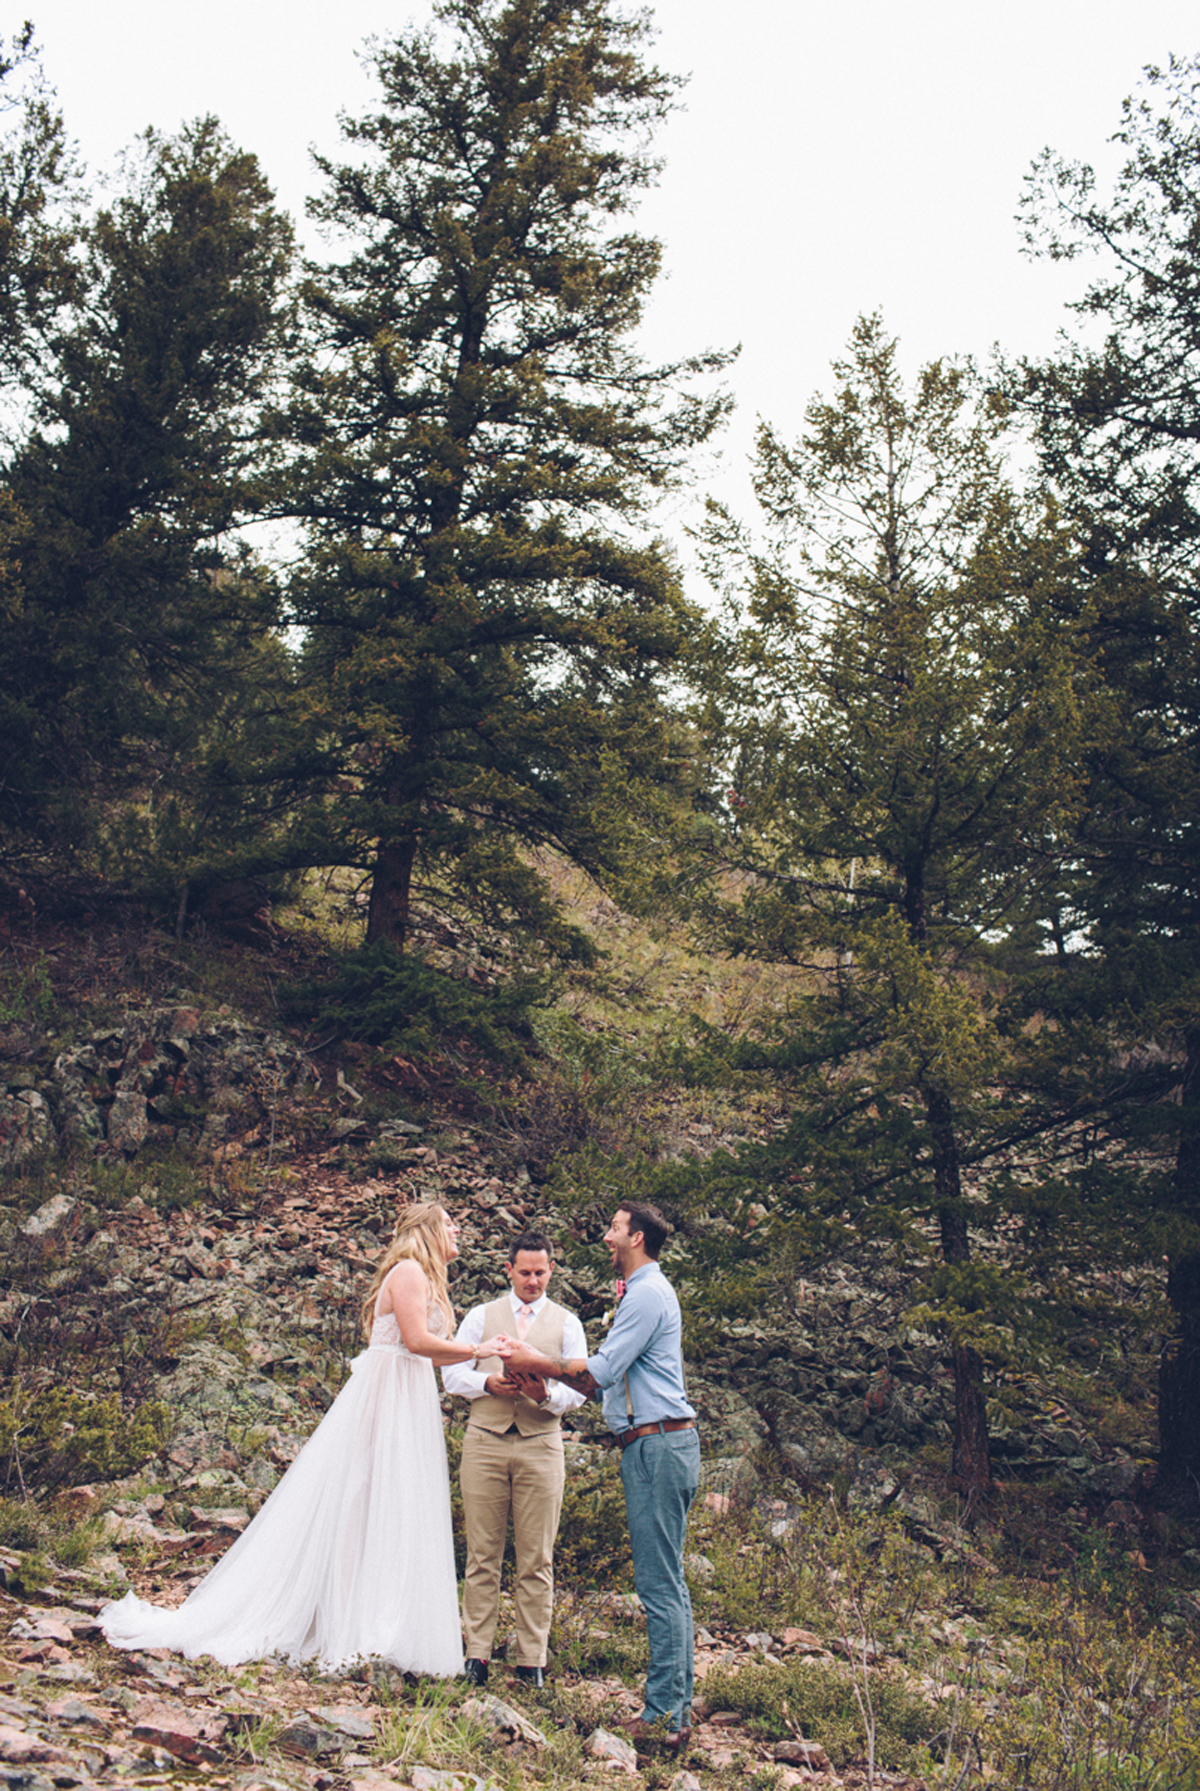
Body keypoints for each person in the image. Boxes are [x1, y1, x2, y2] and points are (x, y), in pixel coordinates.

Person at [100, 1203, 486, 1674]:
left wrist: (481, 1362)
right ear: (427, 1228)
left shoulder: (427, 1278)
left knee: (395, 1503)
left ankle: (381, 1621)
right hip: (386, 1401)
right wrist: (478, 1348)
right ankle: (348, 1623)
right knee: (363, 1499)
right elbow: (418, 1342)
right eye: (448, 1222)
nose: (457, 1228)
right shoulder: (408, 1272)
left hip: (409, 1397)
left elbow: (431, 1357)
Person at [497, 1200, 699, 1752]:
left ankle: (662, 1716)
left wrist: (529, 1359)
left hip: (656, 1445)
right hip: (658, 1443)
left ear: (635, 1238)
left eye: (613, 1228)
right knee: (669, 1583)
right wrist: (548, 1385)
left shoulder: (648, 1295)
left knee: (659, 1586)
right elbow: (602, 1384)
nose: (606, 1236)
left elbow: (601, 1373)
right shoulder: (644, 1294)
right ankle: (673, 1712)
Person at [442, 1228, 586, 1688]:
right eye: (524, 1272)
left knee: (536, 1557)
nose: (532, 1281)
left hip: (542, 1444)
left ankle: (532, 1660)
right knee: (482, 1553)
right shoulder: (482, 1316)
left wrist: (544, 1395)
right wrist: (488, 1384)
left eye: (540, 1272)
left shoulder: (567, 1323)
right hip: (484, 1439)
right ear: (509, 1270)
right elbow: (452, 1373)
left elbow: (580, 1388)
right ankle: (477, 1655)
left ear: (551, 1270)